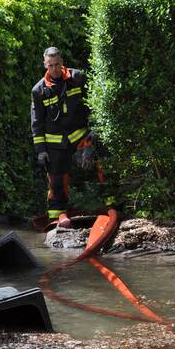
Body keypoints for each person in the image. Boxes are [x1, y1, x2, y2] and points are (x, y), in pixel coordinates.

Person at [30, 47, 101, 228]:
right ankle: (57, 217)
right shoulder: (38, 91)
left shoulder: (77, 78)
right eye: (50, 65)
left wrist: (93, 133)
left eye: (57, 64)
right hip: (55, 143)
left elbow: (93, 102)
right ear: (45, 65)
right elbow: (36, 122)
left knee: (98, 163)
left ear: (62, 62)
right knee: (56, 181)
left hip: (79, 137)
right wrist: (41, 151)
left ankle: (109, 205)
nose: (54, 69)